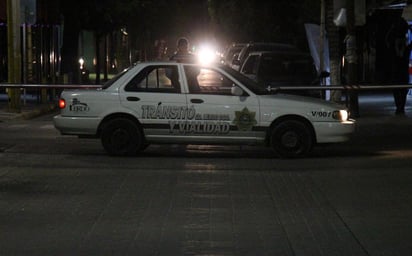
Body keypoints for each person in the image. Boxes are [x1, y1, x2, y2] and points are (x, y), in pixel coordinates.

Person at [386, 16, 411, 115]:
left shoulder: (394, 47)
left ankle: (399, 107)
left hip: (396, 71)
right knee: (401, 90)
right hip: (400, 71)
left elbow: (387, 40)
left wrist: (392, 29)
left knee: (398, 90)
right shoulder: (405, 48)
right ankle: (400, 107)